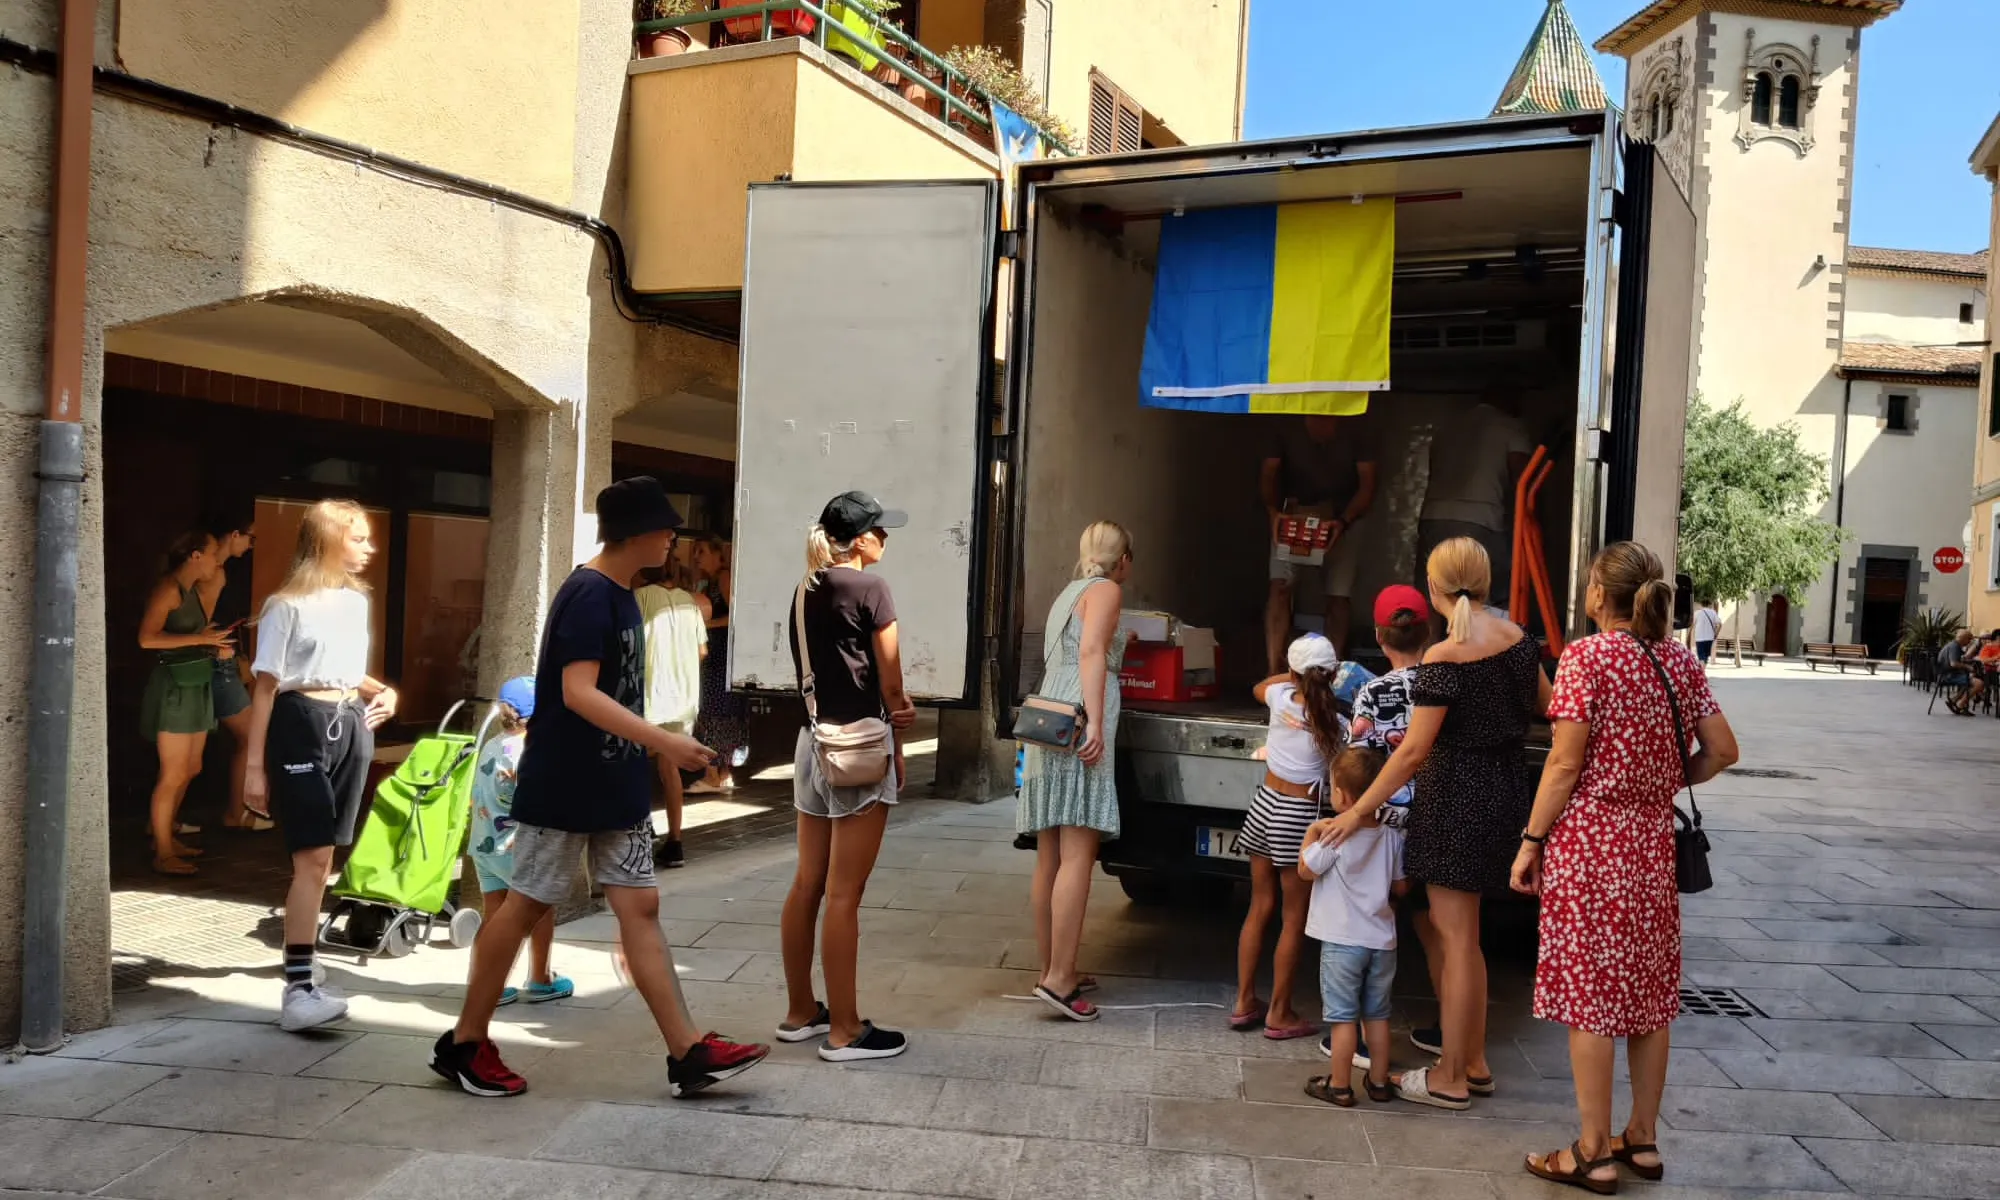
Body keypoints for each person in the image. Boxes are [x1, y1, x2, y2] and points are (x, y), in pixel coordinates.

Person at [431, 477, 766, 1098]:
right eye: (666, 528)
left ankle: (688, 1051)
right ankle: (465, 1043)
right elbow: (575, 693)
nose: (673, 538)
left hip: (613, 783)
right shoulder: (589, 594)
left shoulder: (619, 593)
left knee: (640, 907)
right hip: (566, 783)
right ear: (636, 532)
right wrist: (664, 741)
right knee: (526, 903)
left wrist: (646, 750)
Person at [1511, 541, 1738, 1193]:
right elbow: (1723, 749)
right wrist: (1663, 779)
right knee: (1648, 998)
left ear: (1598, 595)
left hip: (1591, 845)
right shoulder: (1676, 662)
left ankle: (1590, 1151)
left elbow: (1563, 764)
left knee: (1591, 997)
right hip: (1649, 845)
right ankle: (1641, 1138)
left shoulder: (1586, 658)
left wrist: (1530, 841)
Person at [1324, 537, 1551, 1111]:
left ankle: (1451, 1073)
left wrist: (1356, 810)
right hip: (1504, 796)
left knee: (1456, 942)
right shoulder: (1522, 641)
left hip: (1454, 803)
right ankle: (1471, 1062)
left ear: (1434, 590)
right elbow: (1552, 708)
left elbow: (1411, 753)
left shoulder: (1446, 658)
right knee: (1467, 943)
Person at [244, 501, 400, 1031]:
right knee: (310, 859)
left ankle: (303, 969)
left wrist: (387, 692)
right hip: (299, 724)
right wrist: (253, 768)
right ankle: (298, 989)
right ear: (331, 540)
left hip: (349, 723)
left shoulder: (355, 603)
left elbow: (350, 672)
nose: (369, 549)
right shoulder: (284, 606)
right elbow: (266, 687)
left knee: (326, 856)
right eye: (359, 539)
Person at [778, 491, 919, 1061]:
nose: (886, 539)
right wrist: (901, 722)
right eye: (881, 531)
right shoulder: (871, 589)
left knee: (807, 882)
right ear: (860, 539)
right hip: (859, 748)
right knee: (844, 894)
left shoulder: (804, 588)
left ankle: (799, 1012)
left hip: (813, 742)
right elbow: (890, 683)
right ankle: (845, 1030)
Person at [1018, 521, 1133, 1022]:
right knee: (1078, 856)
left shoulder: (1069, 590)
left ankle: (1051, 966)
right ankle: (1062, 981)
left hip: (1050, 716)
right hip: (1078, 718)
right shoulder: (1106, 589)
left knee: (1051, 853)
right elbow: (1091, 653)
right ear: (1122, 559)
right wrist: (1096, 724)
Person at [1336, 583, 1446, 1063]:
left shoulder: (1371, 692)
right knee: (1436, 929)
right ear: (1429, 632)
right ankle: (1447, 1027)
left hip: (1382, 828)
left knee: (1367, 929)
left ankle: (1357, 1039)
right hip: (1433, 823)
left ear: (1380, 638)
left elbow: (1358, 764)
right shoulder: (1445, 684)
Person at [1231, 634, 1348, 1041]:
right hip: (1299, 813)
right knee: (1293, 917)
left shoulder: (1279, 697)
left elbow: (1259, 685)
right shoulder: (1338, 722)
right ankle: (1279, 1011)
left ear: (1293, 671)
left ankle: (1245, 1000)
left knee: (1258, 906)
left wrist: (1294, 672)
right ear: (1332, 674)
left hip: (1264, 802)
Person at [1300, 747, 1401, 1107]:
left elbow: (1306, 870)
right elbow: (1401, 886)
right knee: (1378, 1015)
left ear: (1342, 795)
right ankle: (1378, 1083)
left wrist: (1312, 832)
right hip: (1382, 941)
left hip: (1343, 942)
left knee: (1343, 1018)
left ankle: (1340, 1085)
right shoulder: (1391, 837)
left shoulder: (1333, 835)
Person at [468, 676, 572, 1006]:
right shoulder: (530, 752)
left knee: (493, 915)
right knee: (540, 913)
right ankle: (540, 978)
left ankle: (484, 983)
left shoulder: (492, 745)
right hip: (518, 849)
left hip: (485, 846)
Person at [137, 530, 234, 875]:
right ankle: (162, 852)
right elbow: (147, 638)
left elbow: (189, 638)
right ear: (195, 555)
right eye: (211, 554)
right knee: (173, 772)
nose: (215, 561)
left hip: (196, 683)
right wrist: (200, 638)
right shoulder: (169, 589)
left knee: (191, 768)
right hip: (176, 687)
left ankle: (166, 836)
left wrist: (212, 645)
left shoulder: (192, 590)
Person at [1261, 414, 1379, 666]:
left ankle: (1332, 671)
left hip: (1342, 517)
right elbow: (1269, 472)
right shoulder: (1286, 422)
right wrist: (1274, 513)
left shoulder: (1357, 426)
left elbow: (1367, 484)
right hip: (1294, 512)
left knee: (1338, 594)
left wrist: (1344, 521)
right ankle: (1272, 671)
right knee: (1280, 586)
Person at [1417, 392, 1532, 617]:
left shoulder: (1448, 426)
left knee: (1435, 593)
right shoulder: (1510, 425)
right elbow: (1523, 477)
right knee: (1480, 596)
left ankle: (1429, 650)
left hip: (1433, 516)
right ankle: (1477, 651)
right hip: (1481, 518)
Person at [636, 560, 711, 868]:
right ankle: (675, 842)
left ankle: (641, 832)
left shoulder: (638, 597)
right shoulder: (689, 603)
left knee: (636, 765)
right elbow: (702, 651)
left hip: (650, 694)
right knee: (670, 771)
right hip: (683, 696)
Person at [201, 513, 271, 832]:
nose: (252, 545)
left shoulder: (216, 570)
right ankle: (238, 813)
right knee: (249, 735)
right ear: (234, 533)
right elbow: (202, 623)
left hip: (221, 661)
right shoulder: (214, 573)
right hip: (217, 662)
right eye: (250, 538)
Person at [691, 536, 749, 794]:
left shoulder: (724, 577)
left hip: (720, 653)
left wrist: (706, 625)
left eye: (701, 551)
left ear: (716, 554)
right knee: (720, 709)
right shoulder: (711, 581)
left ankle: (714, 773)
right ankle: (721, 772)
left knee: (715, 708)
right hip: (718, 652)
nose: (697, 557)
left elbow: (736, 614)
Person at [1940, 630, 1984, 715]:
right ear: (1963, 638)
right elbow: (1954, 663)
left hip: (1947, 674)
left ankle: (1954, 700)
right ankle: (1960, 705)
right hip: (1949, 676)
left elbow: (1962, 658)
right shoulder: (1954, 647)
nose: (1969, 642)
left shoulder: (1953, 645)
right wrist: (1968, 667)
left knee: (1970, 678)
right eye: (1968, 639)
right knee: (1979, 684)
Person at [1691, 598, 1721, 669]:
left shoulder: (1697, 613)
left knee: (1701, 657)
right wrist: (1716, 634)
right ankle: (1703, 672)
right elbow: (1720, 624)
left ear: (1701, 604)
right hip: (1710, 638)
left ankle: (1702, 672)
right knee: (1706, 657)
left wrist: (1690, 635)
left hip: (1699, 638)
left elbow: (1692, 624)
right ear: (1709, 604)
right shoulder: (1713, 612)